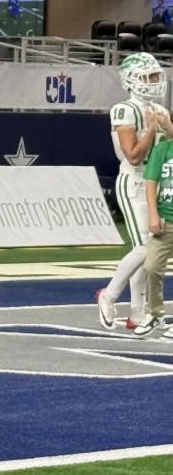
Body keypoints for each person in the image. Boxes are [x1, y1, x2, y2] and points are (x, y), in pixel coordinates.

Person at [97, 52, 173, 336]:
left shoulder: (160, 109)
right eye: (149, 77)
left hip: (157, 182)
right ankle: (109, 294)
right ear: (132, 80)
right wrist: (152, 129)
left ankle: (136, 311)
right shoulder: (124, 109)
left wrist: (166, 127)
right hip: (134, 182)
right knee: (144, 248)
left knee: (147, 247)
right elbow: (132, 155)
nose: (155, 82)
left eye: (156, 76)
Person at [144, 133, 173, 338]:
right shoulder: (162, 149)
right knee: (151, 267)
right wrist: (153, 214)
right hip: (166, 219)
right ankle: (155, 313)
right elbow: (151, 183)